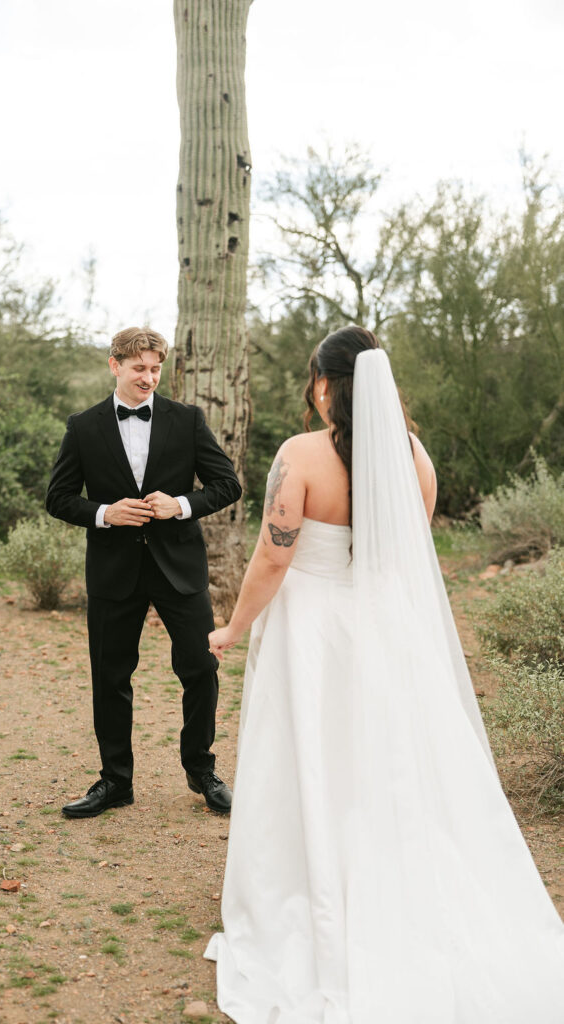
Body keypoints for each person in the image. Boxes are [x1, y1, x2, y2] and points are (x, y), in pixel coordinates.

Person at [205, 326, 564, 1023]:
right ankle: (391, 882)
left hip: (310, 630)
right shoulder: (413, 456)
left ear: (321, 383)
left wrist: (233, 626)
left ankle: (307, 890)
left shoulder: (299, 453)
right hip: (381, 627)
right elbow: (404, 547)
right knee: (385, 761)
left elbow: (273, 557)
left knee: (307, 755)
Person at [46, 326, 241, 818]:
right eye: (139, 369)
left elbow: (227, 484)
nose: (149, 378)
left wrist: (180, 504)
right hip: (114, 570)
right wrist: (103, 513)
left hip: (180, 567)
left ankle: (202, 771)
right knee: (111, 676)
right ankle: (115, 782)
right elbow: (58, 497)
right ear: (115, 366)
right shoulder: (83, 426)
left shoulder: (187, 419)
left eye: (155, 369)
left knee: (201, 669)